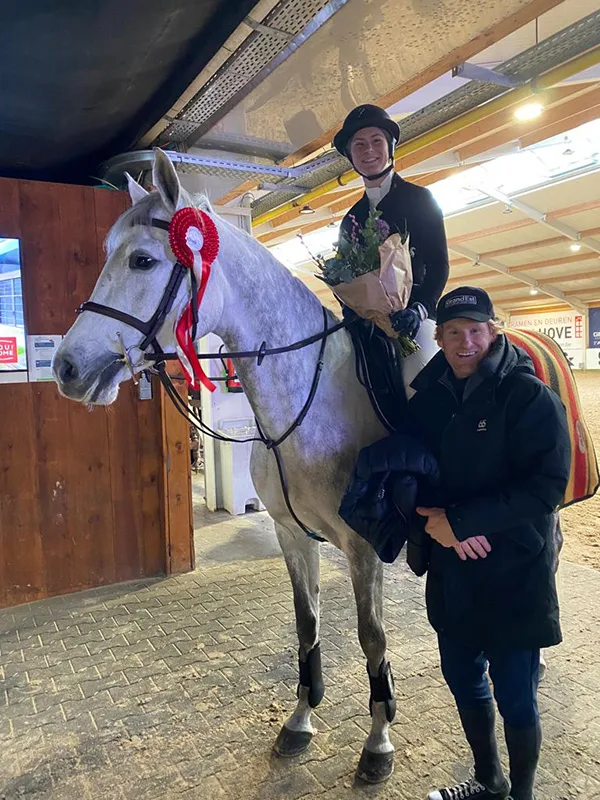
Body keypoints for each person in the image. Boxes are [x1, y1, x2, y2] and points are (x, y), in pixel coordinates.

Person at [408, 286, 571, 800]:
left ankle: (522, 794)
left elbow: (548, 485)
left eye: (475, 331)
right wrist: (439, 525)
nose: (465, 343)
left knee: (517, 694)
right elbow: (415, 471)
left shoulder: (527, 397)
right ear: (438, 337)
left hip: (514, 568)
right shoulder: (427, 399)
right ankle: (489, 781)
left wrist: (466, 522)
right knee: (462, 677)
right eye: (454, 332)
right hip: (452, 567)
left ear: (493, 332)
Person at [333, 103, 449, 391]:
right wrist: (353, 310)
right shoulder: (351, 219)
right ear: (350, 155)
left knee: (417, 380)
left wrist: (419, 310)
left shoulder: (420, 200)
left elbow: (438, 265)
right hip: (368, 326)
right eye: (359, 145)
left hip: (412, 322)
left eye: (376, 141)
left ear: (390, 146)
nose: (368, 150)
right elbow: (345, 276)